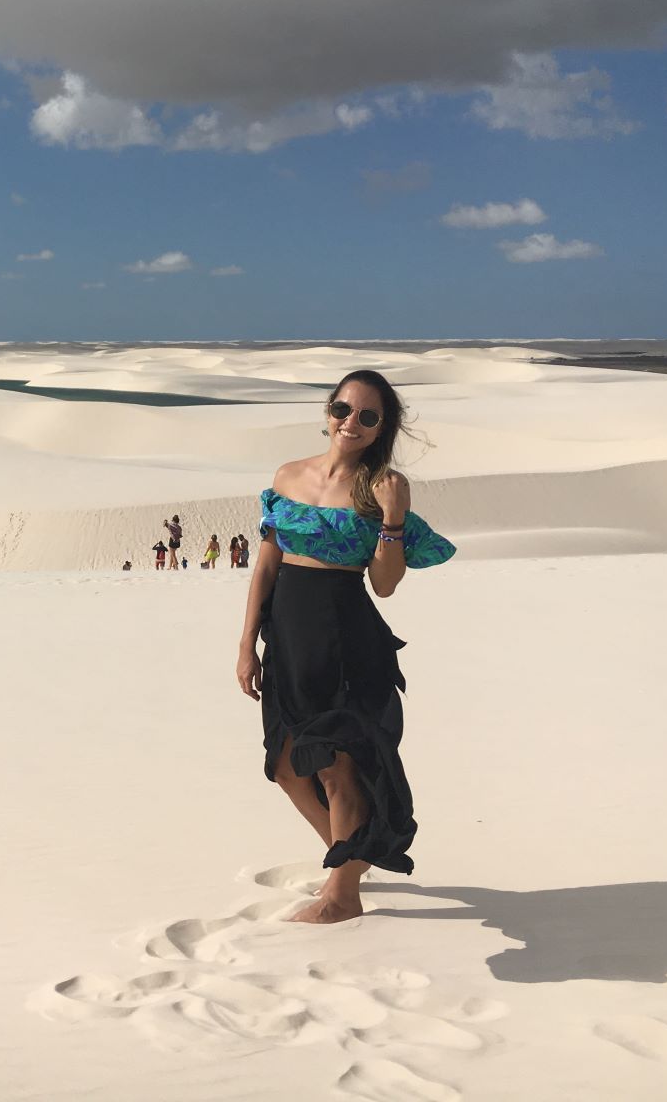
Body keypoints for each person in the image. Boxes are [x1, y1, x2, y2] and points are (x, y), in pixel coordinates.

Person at [234, 370, 455, 925]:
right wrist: (246, 642)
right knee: (287, 766)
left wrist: (394, 519)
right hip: (287, 636)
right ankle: (350, 853)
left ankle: (342, 894)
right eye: (343, 409)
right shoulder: (287, 476)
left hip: (345, 637)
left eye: (367, 416)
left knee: (338, 769)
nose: (351, 423)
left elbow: (385, 583)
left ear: (382, 428)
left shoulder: (379, 489)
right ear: (328, 411)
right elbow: (266, 565)